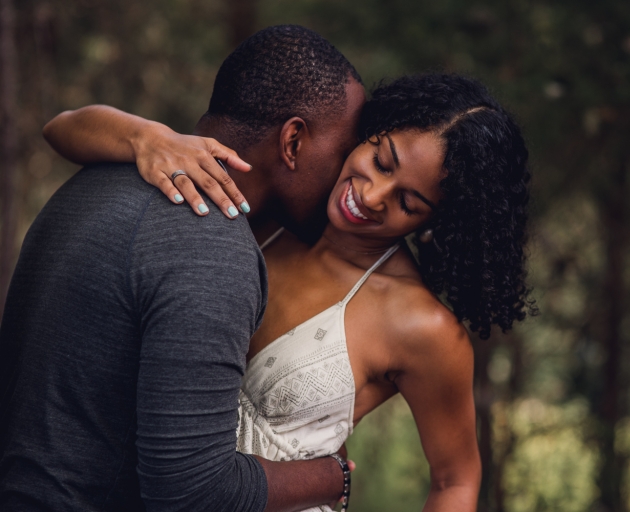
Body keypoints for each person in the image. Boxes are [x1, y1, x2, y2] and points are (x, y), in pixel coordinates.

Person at [43, 73, 534, 512]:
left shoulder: (421, 326)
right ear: (367, 134)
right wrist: (147, 137)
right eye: (381, 160)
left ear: (434, 222)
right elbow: (62, 128)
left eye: (408, 201)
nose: (372, 195)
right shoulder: (266, 215)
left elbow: (456, 481)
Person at [0, 25, 366, 512]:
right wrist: (331, 476)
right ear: (293, 142)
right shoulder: (212, 245)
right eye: (344, 152)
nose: (349, 178)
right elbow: (193, 492)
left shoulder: (98, 179)